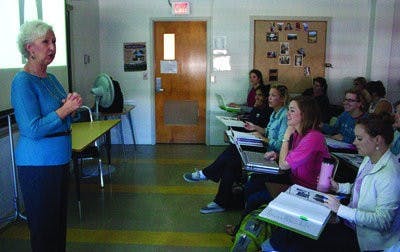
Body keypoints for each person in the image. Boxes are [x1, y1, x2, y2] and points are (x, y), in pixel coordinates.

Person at [264, 113, 400, 251]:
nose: (354, 142)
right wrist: (337, 187)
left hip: (363, 239)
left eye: (359, 138)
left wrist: (341, 210)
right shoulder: (369, 159)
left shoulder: (390, 175)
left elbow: (382, 221)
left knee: (298, 241)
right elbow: (362, 188)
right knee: (291, 230)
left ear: (377, 140)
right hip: (348, 222)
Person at [11, 20, 82, 252]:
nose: (52, 47)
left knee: (58, 226)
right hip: (38, 166)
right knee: (44, 230)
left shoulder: (51, 79)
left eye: (54, 42)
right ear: (30, 48)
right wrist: (64, 110)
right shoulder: (22, 82)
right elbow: (31, 128)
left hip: (59, 161)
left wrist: (71, 108)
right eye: (45, 42)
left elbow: (64, 117)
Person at [182, 85, 271, 214]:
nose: (256, 97)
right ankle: (219, 203)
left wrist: (254, 130)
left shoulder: (269, 112)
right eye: (256, 95)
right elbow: (252, 125)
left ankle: (206, 174)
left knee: (232, 151)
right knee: (230, 165)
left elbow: (265, 133)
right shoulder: (258, 109)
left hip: (262, 150)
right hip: (253, 142)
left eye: (260, 95)